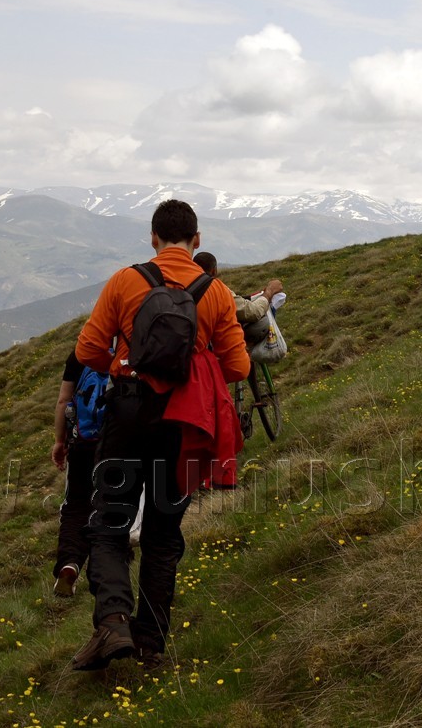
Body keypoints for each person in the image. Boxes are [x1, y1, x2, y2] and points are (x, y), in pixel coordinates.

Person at [71, 199, 250, 672]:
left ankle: (112, 622)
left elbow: (87, 349)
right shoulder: (215, 291)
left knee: (109, 522)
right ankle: (150, 642)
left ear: (152, 238)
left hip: (128, 413)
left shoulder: (126, 280)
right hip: (186, 424)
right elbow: (238, 367)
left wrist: (126, 359)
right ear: (197, 241)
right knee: (163, 533)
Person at [49, 350, 104, 597]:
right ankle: (104, 572)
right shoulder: (133, 346)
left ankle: (70, 563)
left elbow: (64, 400)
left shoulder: (82, 351)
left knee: (76, 507)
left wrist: (60, 441)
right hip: (118, 443)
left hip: (82, 442)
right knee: (114, 507)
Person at [193, 250, 283, 336]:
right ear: (214, 271)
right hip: (208, 344)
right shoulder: (217, 290)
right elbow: (253, 312)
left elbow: (235, 300)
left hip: (186, 342)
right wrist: (269, 292)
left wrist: (254, 296)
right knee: (261, 324)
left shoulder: (185, 284)